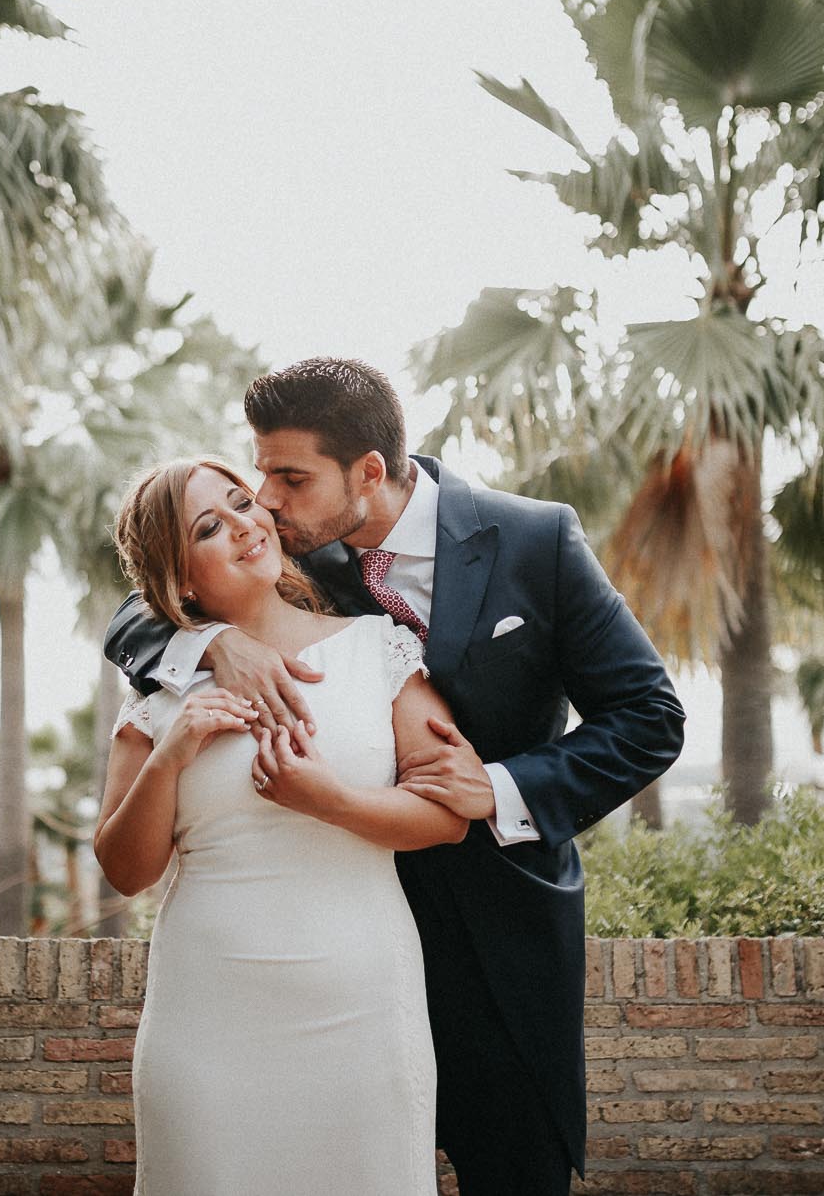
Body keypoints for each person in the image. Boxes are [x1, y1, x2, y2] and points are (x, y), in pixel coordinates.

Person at [105, 358, 686, 1196]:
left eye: (287, 478)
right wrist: (205, 645)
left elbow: (649, 716)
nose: (264, 500)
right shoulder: (304, 553)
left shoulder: (537, 541)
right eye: (258, 473)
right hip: (318, 928)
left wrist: (498, 787)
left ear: (367, 474)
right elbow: (147, 593)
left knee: (512, 1171)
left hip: (495, 925)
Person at [94, 456, 472, 1196]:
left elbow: (449, 816)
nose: (243, 524)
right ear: (180, 581)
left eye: (242, 502)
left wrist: (324, 798)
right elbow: (124, 868)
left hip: (362, 1009)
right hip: (206, 1021)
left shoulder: (378, 647)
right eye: (209, 526)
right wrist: (170, 755)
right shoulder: (159, 692)